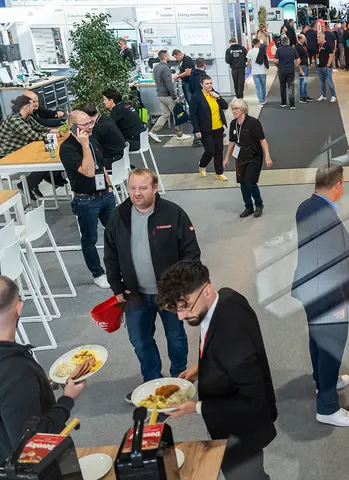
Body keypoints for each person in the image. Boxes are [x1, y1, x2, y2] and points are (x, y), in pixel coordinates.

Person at [158, 261, 277, 480]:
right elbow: (219, 348)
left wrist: (196, 407)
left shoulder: (233, 343)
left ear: (207, 291)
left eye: (185, 306)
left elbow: (253, 402)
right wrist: (201, 367)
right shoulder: (227, 297)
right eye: (176, 309)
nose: (180, 316)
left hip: (241, 433)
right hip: (234, 421)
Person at [104, 168, 199, 401]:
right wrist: (117, 288)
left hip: (170, 295)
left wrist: (184, 289)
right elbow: (110, 254)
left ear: (155, 188)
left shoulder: (173, 214)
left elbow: (191, 254)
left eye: (143, 188)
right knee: (139, 340)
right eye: (133, 188)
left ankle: (179, 379)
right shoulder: (119, 216)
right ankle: (151, 381)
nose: (137, 193)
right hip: (135, 295)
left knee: (175, 337)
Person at [292, 165, 349, 427]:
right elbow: (333, 266)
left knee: (317, 339)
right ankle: (327, 407)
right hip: (327, 296)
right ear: (338, 185)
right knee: (331, 346)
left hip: (310, 290)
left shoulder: (306, 207)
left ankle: (324, 381)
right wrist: (339, 302)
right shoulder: (326, 217)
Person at [0, 276, 86, 461]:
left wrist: (39, 386)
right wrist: (67, 400)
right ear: (19, 308)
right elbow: (32, 442)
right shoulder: (16, 372)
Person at [60, 111, 116, 289]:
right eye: (85, 125)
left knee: (117, 232)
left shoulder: (93, 140)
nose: (90, 127)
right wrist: (84, 145)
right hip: (86, 200)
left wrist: (109, 185)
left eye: (90, 123)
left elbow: (101, 165)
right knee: (90, 239)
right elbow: (89, 172)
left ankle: (119, 268)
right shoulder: (67, 148)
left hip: (105, 195)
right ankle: (98, 273)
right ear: (73, 127)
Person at [0, 96, 61, 201]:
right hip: (7, 155)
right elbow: (34, 135)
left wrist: (54, 131)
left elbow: (40, 128)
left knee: (47, 155)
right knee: (42, 160)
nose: (34, 108)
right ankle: (28, 184)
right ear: (26, 107)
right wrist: (52, 135)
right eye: (32, 105)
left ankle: (36, 182)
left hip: (20, 150)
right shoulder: (15, 120)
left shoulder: (27, 118)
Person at [224, 99, 273, 218]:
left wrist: (267, 156)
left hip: (254, 156)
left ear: (243, 109)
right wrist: (226, 158)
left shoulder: (253, 123)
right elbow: (232, 142)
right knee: (242, 183)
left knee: (250, 182)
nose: (233, 111)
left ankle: (259, 204)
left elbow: (262, 140)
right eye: (232, 109)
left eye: (236, 109)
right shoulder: (233, 124)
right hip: (240, 156)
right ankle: (248, 206)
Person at [190, 75, 229, 181]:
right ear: (201, 85)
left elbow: (225, 106)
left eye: (211, 83)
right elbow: (193, 115)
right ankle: (202, 164)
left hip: (218, 128)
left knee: (219, 151)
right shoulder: (196, 97)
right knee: (210, 150)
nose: (209, 86)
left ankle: (219, 172)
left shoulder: (214, 94)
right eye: (207, 84)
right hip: (205, 129)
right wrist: (197, 130)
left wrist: (218, 97)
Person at [149, 50, 185, 143]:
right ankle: (180, 134)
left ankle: (153, 131)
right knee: (177, 114)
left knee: (165, 115)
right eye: (168, 55)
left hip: (160, 95)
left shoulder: (156, 67)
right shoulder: (166, 68)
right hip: (167, 95)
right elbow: (169, 84)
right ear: (165, 57)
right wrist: (174, 97)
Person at [81, 104, 126, 170]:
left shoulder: (99, 128)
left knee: (87, 164)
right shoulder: (105, 118)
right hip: (122, 155)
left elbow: (91, 145)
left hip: (115, 160)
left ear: (87, 117)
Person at [274, 35, 299, 110]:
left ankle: (283, 103)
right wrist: (295, 66)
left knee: (282, 86)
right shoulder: (292, 49)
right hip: (290, 70)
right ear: (289, 42)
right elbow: (298, 60)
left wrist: (278, 66)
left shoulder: (279, 50)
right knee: (291, 87)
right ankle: (292, 104)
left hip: (282, 70)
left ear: (282, 42)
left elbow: (275, 61)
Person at [246, 39, 269, 105]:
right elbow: (266, 60)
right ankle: (264, 98)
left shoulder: (250, 51)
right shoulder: (262, 51)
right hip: (262, 71)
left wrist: (251, 69)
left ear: (253, 44)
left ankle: (260, 101)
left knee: (257, 87)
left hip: (255, 72)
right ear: (258, 43)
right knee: (263, 86)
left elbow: (248, 62)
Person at [316, 33, 337, 103]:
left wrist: (328, 65)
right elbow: (317, 55)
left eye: (319, 37)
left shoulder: (328, 45)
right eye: (317, 37)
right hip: (320, 67)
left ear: (323, 37)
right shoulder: (318, 46)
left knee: (329, 81)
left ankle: (333, 96)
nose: (318, 38)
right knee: (322, 82)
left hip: (326, 67)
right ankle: (323, 95)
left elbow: (331, 56)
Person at [295, 34, 311, 103]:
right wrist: (300, 68)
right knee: (302, 81)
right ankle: (302, 97)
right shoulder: (297, 47)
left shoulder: (304, 45)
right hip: (302, 66)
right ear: (300, 39)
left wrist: (309, 64)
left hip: (306, 65)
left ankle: (305, 95)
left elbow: (307, 55)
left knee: (305, 81)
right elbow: (297, 59)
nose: (305, 40)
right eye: (304, 38)